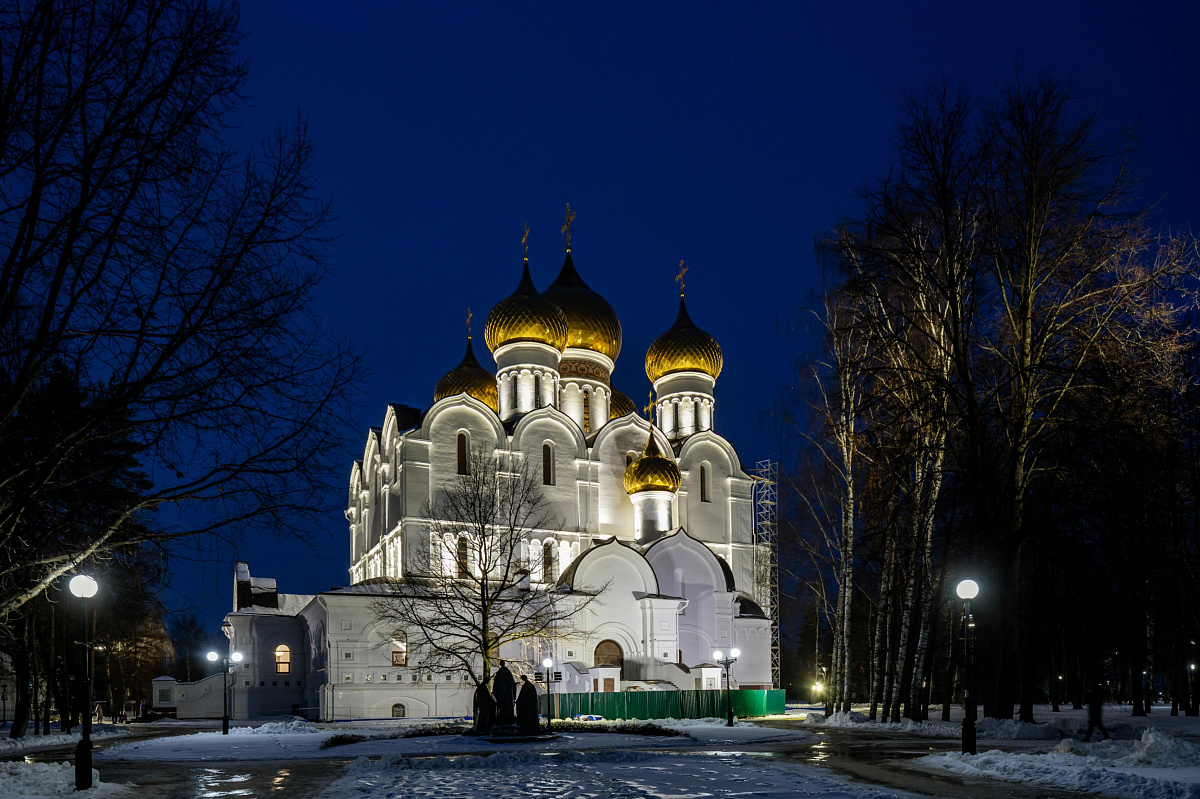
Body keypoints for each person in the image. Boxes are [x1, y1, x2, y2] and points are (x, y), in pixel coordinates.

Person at [492, 660, 517, 726]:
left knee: (503, 708)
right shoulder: (506, 672)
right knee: (505, 708)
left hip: (503, 694)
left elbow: (496, 684)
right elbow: (512, 683)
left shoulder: (501, 673)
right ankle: (506, 720)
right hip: (505, 694)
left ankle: (504, 720)